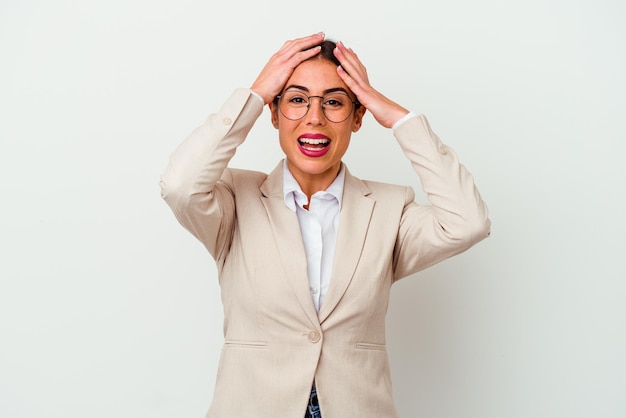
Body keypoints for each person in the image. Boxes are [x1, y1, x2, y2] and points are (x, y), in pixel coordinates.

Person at [160, 32, 490, 418]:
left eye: (334, 102)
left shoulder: (389, 209)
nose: (314, 117)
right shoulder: (233, 201)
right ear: (274, 112)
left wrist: (399, 118)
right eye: (297, 100)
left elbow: (468, 222)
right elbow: (179, 185)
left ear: (357, 116)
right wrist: (255, 95)